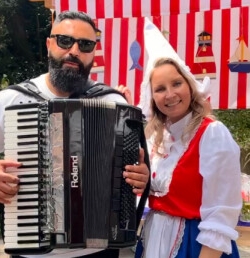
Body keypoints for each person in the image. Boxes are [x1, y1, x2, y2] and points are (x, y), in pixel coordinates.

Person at [0, 10, 149, 258]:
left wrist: (140, 177)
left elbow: (135, 173)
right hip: (33, 252)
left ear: (93, 52)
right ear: (49, 44)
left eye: (85, 44)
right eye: (65, 40)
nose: (74, 51)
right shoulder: (12, 99)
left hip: (98, 250)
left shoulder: (113, 103)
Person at [136, 57, 242, 258]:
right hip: (153, 240)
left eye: (176, 83)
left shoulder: (212, 134)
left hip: (195, 245)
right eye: (160, 89)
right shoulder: (155, 139)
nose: (170, 94)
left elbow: (221, 215)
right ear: (152, 98)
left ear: (190, 87)